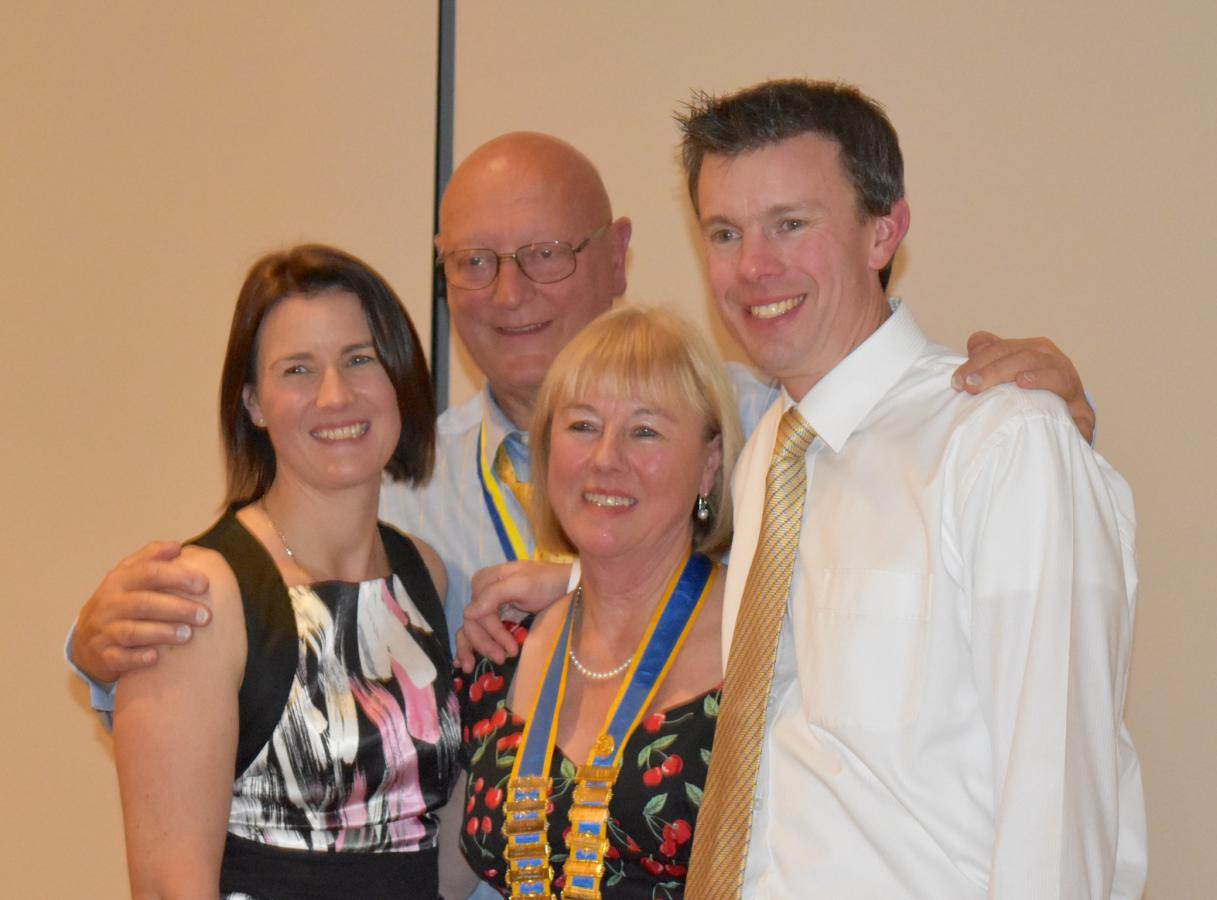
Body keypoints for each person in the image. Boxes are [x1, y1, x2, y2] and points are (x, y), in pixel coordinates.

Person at [66, 133, 1095, 697]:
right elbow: (263, 672)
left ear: (620, 254)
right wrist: (103, 647)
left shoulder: (761, 428)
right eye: (473, 262)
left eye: (546, 255)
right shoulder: (396, 483)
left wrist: (1033, 409)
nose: (508, 293)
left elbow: (913, 525)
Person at [674, 80, 1145, 899]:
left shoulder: (1000, 443)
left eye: (790, 224)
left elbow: (1058, 793)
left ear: (882, 230)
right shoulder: (766, 459)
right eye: (724, 233)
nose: (752, 267)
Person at [113, 245, 461, 898]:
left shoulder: (423, 575)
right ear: (253, 403)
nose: (335, 394)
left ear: (399, 378)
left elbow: (435, 853)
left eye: (359, 359)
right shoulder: (201, 595)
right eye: (298, 370)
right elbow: (167, 885)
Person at [458, 306, 740, 898]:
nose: (606, 458)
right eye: (583, 426)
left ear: (709, 464)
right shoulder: (501, 649)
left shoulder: (762, 644)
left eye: (645, 431)